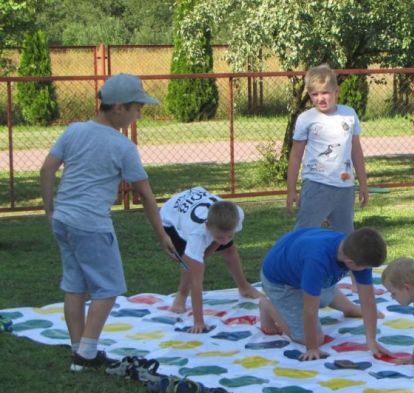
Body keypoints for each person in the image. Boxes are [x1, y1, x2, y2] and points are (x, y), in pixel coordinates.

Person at [40, 73, 176, 372]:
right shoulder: (123, 146)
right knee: (109, 288)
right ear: (118, 108)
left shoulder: (74, 131)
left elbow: (47, 169)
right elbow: (146, 195)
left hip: (63, 220)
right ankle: (86, 353)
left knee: (75, 286)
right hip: (91, 224)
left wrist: (50, 210)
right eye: (137, 108)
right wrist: (162, 235)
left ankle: (78, 350)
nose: (139, 115)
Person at [259, 227, 390, 361]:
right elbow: (310, 310)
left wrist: (371, 340)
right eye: (366, 268)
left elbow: (368, 300)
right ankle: (268, 306)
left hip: (302, 268)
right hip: (281, 282)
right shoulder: (317, 261)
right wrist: (312, 348)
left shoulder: (353, 249)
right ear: (350, 262)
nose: (367, 271)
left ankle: (350, 308)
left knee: (323, 290)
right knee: (314, 338)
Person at [160, 186, 263, 333]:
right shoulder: (196, 234)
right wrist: (198, 322)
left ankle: (244, 286)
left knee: (229, 249)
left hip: (196, 201)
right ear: (207, 226)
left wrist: (213, 247)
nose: (225, 239)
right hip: (172, 214)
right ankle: (181, 294)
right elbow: (196, 282)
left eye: (230, 235)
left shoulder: (237, 214)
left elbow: (223, 242)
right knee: (189, 263)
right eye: (220, 236)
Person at [286, 64, 368, 235]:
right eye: (314, 94)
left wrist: (363, 184)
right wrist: (291, 190)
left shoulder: (349, 114)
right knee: (304, 234)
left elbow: (356, 152)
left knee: (345, 238)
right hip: (316, 186)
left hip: (345, 187)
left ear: (336, 91)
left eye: (325, 93)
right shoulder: (305, 118)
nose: (320, 98)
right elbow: (295, 156)